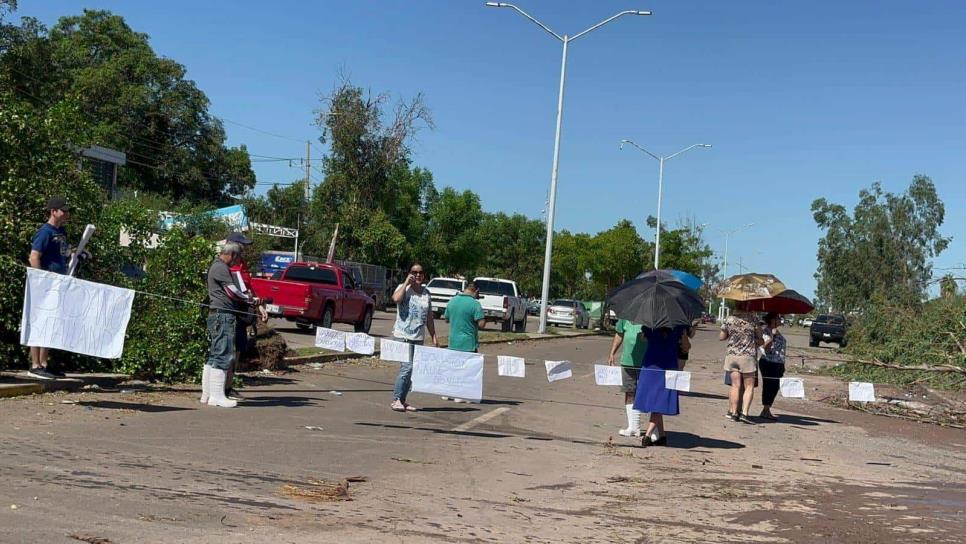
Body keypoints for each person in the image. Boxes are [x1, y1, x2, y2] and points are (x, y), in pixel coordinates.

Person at [26, 196, 77, 380]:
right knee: (40, 322)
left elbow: (64, 251)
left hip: (59, 283)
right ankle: (35, 364)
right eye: (62, 210)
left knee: (51, 323)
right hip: (45, 284)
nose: (66, 213)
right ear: (53, 211)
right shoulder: (45, 232)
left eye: (67, 210)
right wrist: (40, 279)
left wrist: (78, 253)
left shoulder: (61, 231)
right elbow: (34, 256)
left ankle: (45, 364)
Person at [201, 242, 252, 408]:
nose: (237, 263)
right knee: (223, 355)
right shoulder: (221, 268)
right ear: (231, 255)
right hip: (223, 315)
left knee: (215, 355)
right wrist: (248, 299)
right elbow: (232, 291)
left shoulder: (216, 266)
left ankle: (208, 394)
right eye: (237, 259)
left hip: (218, 314)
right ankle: (217, 396)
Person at [224, 232, 268, 399]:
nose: (244, 249)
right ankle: (222, 388)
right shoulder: (227, 265)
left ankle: (229, 386)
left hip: (243, 311)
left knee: (237, 351)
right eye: (242, 246)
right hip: (232, 311)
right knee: (228, 351)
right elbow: (235, 289)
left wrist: (260, 306)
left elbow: (248, 287)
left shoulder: (242, 264)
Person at [390, 263, 438, 412]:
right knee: (407, 367)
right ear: (409, 273)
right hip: (402, 335)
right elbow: (396, 299)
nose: (418, 275)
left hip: (418, 337)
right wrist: (406, 283)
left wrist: (434, 336)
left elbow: (429, 317)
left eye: (421, 273)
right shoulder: (403, 288)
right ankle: (396, 399)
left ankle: (402, 400)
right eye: (414, 272)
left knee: (412, 370)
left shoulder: (426, 293)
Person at [634, 326, 687, 447]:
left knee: (656, 401)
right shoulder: (677, 328)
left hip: (651, 365)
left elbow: (642, 339)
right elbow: (686, 346)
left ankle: (647, 435)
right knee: (660, 400)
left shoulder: (650, 326)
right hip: (669, 365)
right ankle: (662, 436)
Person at [441, 281, 486, 403]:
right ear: (476, 291)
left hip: (453, 341)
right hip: (468, 343)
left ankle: (447, 392)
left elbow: (446, 319)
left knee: (452, 368)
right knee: (467, 370)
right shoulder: (475, 304)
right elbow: (481, 324)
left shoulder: (452, 301)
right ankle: (460, 395)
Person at [719, 310, 763, 424]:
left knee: (735, 386)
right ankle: (744, 413)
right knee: (749, 386)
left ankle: (733, 412)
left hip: (732, 356)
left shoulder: (729, 319)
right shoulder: (754, 318)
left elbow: (722, 337)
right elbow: (760, 336)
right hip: (747, 356)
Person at [607, 319, 647, 437]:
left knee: (644, 394)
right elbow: (619, 334)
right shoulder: (625, 318)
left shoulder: (650, 318)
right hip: (627, 362)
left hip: (647, 363)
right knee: (629, 392)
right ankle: (633, 426)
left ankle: (650, 427)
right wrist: (612, 353)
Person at [758, 312, 787, 420]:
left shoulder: (776, 331)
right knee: (769, 386)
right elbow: (765, 347)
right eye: (778, 318)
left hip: (778, 363)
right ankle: (765, 410)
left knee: (775, 387)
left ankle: (767, 409)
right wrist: (772, 337)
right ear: (772, 320)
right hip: (769, 362)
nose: (780, 320)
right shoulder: (765, 331)